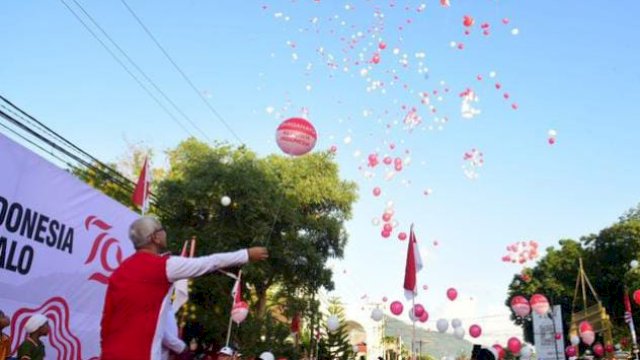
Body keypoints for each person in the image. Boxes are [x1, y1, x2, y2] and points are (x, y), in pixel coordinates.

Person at [100, 216, 269, 360]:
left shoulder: (119, 271)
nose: (165, 232)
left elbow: (106, 319)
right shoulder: (164, 266)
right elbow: (209, 262)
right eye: (162, 229)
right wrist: (246, 254)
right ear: (155, 238)